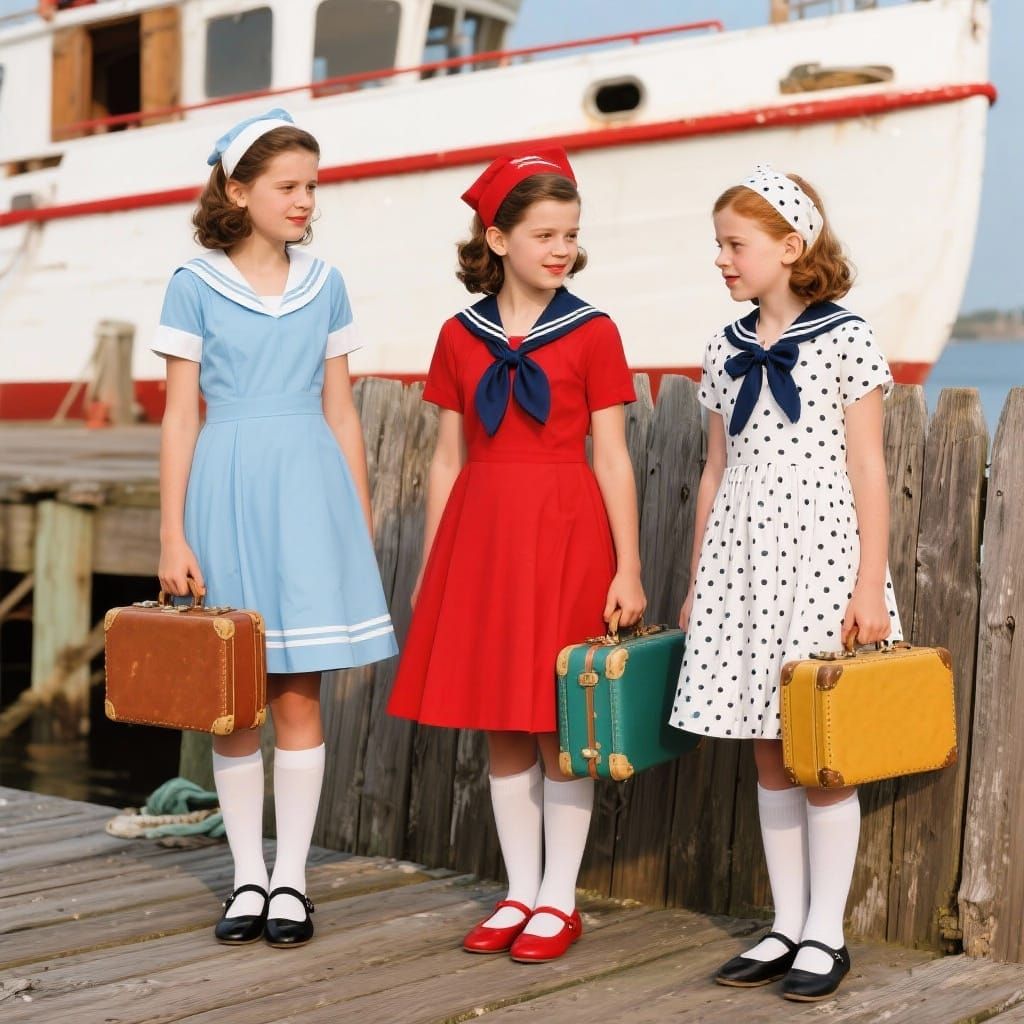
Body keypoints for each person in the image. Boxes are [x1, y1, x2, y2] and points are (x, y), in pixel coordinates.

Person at [387, 149, 646, 963]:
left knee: (562, 723)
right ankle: (518, 891)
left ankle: (559, 899)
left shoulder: (594, 331)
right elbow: (446, 458)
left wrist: (628, 566)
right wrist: (434, 566)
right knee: (501, 722)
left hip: (567, 536)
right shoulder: (457, 336)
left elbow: (613, 458)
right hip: (483, 540)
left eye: (570, 234)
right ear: (498, 240)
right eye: (544, 235)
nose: (561, 249)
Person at [154, 108, 397, 948]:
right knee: (232, 700)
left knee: (300, 692)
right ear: (237, 191)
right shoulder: (193, 284)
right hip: (223, 489)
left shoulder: (326, 283)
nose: (304, 201)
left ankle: (290, 879)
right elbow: (180, 415)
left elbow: (342, 412)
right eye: (288, 186)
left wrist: (355, 519)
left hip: (308, 494)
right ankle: (245, 877)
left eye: (311, 187)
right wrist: (172, 534)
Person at [671, 164, 901, 1001]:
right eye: (719, 245)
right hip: (742, 563)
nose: (722, 259)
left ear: (791, 246)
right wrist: (698, 579)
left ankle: (827, 931)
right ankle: (785, 922)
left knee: (821, 746)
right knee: (766, 747)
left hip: (821, 560)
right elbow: (714, 469)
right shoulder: (723, 348)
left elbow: (868, 467)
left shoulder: (845, 337)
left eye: (735, 245)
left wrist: (869, 584)